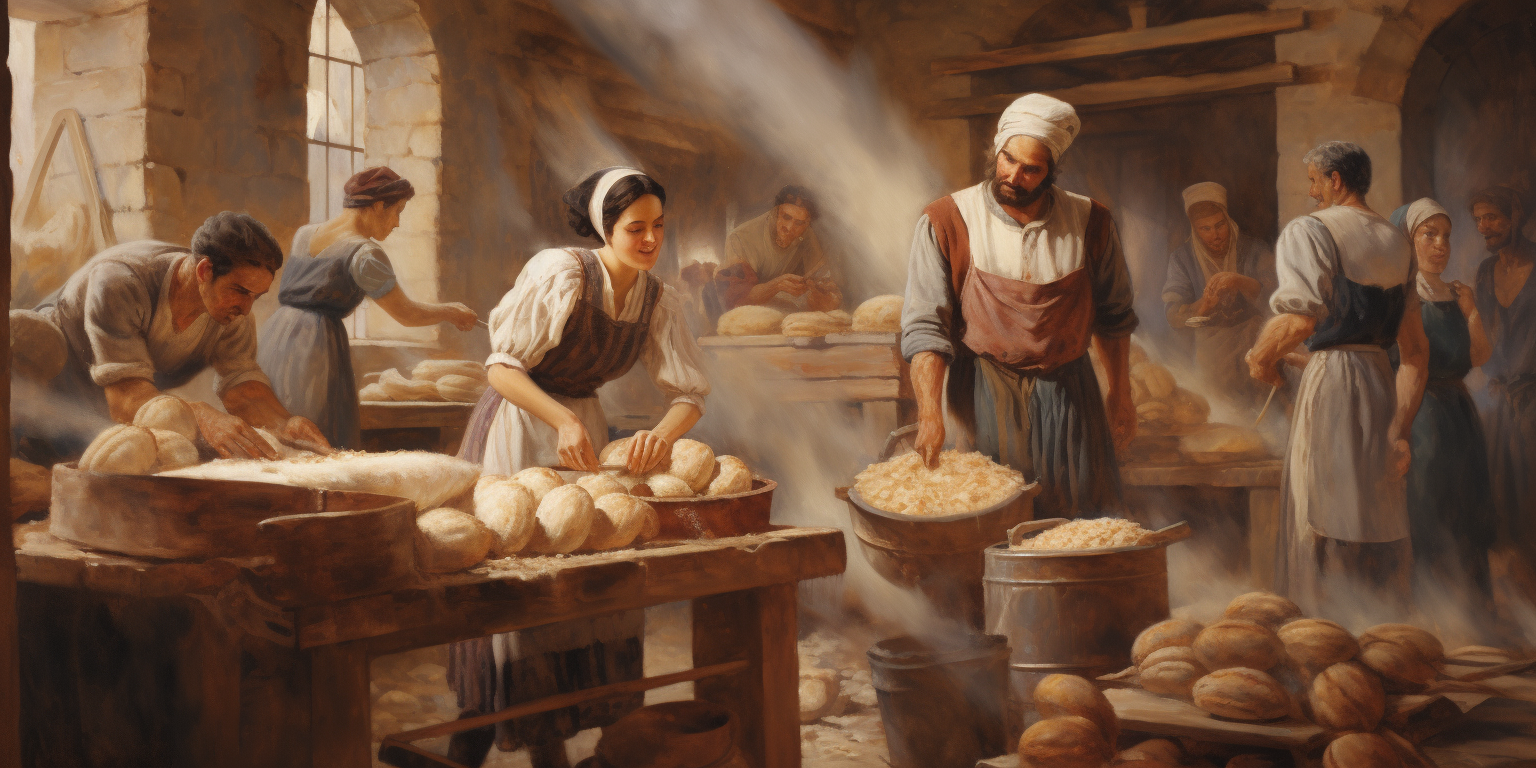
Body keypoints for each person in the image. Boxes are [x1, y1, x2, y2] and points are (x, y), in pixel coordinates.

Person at [447, 167, 709, 768]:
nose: (649, 241)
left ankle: (547, 742)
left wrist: (657, 439)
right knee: (525, 585)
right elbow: (501, 367)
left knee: (581, 585)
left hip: (582, 427)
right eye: (634, 228)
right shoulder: (562, 272)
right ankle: (523, 747)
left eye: (659, 228)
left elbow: (690, 394)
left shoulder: (657, 298)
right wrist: (559, 420)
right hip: (519, 422)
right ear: (604, 228)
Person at [901, 93, 1138, 518]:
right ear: (997, 150)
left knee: (1078, 517)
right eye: (1008, 160)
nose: (1014, 176)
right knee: (995, 514)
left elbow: (1114, 317)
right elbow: (925, 327)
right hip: (984, 392)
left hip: (1071, 394)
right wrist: (929, 414)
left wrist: (1120, 393)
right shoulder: (948, 219)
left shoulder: (1090, 220)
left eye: (1032, 169)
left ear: (1051, 171)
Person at [1245, 142, 1429, 618]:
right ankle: (1375, 624)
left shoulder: (1309, 231)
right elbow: (1414, 352)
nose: (1311, 192)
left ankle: (1320, 627)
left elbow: (1300, 322)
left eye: (1313, 181)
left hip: (1332, 387)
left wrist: (1261, 356)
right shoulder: (1397, 242)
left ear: (1336, 180)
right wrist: (1400, 432)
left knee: (1321, 509)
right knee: (1372, 509)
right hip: (1381, 386)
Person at [29, 212, 331, 460]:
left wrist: (283, 423)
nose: (246, 308)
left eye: (256, 296)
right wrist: (201, 415)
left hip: (123, 411)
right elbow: (125, 401)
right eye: (240, 291)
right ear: (204, 270)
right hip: (49, 391)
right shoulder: (120, 282)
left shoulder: (233, 314)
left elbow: (243, 390)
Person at [257, 167, 478, 449]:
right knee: (316, 438)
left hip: (274, 340)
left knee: (278, 433)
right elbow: (406, 314)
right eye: (397, 211)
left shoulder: (304, 234)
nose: (397, 223)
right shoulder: (365, 255)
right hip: (316, 352)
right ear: (377, 207)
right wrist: (450, 312)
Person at [1388, 198, 1495, 597]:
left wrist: (1470, 312)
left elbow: (1479, 357)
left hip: (1459, 416)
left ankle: (1472, 607)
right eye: (1428, 235)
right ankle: (1432, 607)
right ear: (1406, 241)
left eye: (1446, 236)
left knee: (1467, 510)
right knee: (1428, 511)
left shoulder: (1453, 293)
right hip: (1421, 416)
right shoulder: (1400, 295)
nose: (1441, 245)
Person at [1470, 185, 1536, 591]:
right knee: (1501, 507)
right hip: (1500, 405)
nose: (1483, 227)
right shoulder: (1483, 272)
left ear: (1515, 215)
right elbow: (1482, 343)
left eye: (1491, 217)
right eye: (1478, 219)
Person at [1162, 182, 1277, 410]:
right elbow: (1173, 315)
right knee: (1221, 413)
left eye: (1219, 225)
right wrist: (1204, 304)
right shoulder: (1182, 260)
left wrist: (1239, 281)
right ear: (1194, 230)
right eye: (1205, 229)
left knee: (1263, 416)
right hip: (1210, 355)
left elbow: (1276, 299)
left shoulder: (1254, 250)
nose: (1215, 235)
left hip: (1255, 345)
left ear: (1228, 219)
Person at [712, 185, 842, 313]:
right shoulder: (740, 238)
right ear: (775, 212)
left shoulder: (807, 235)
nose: (790, 228)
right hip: (748, 317)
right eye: (786, 217)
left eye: (799, 223)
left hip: (785, 316)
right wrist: (777, 285)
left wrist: (821, 296)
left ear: (807, 223)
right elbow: (737, 299)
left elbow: (828, 291)